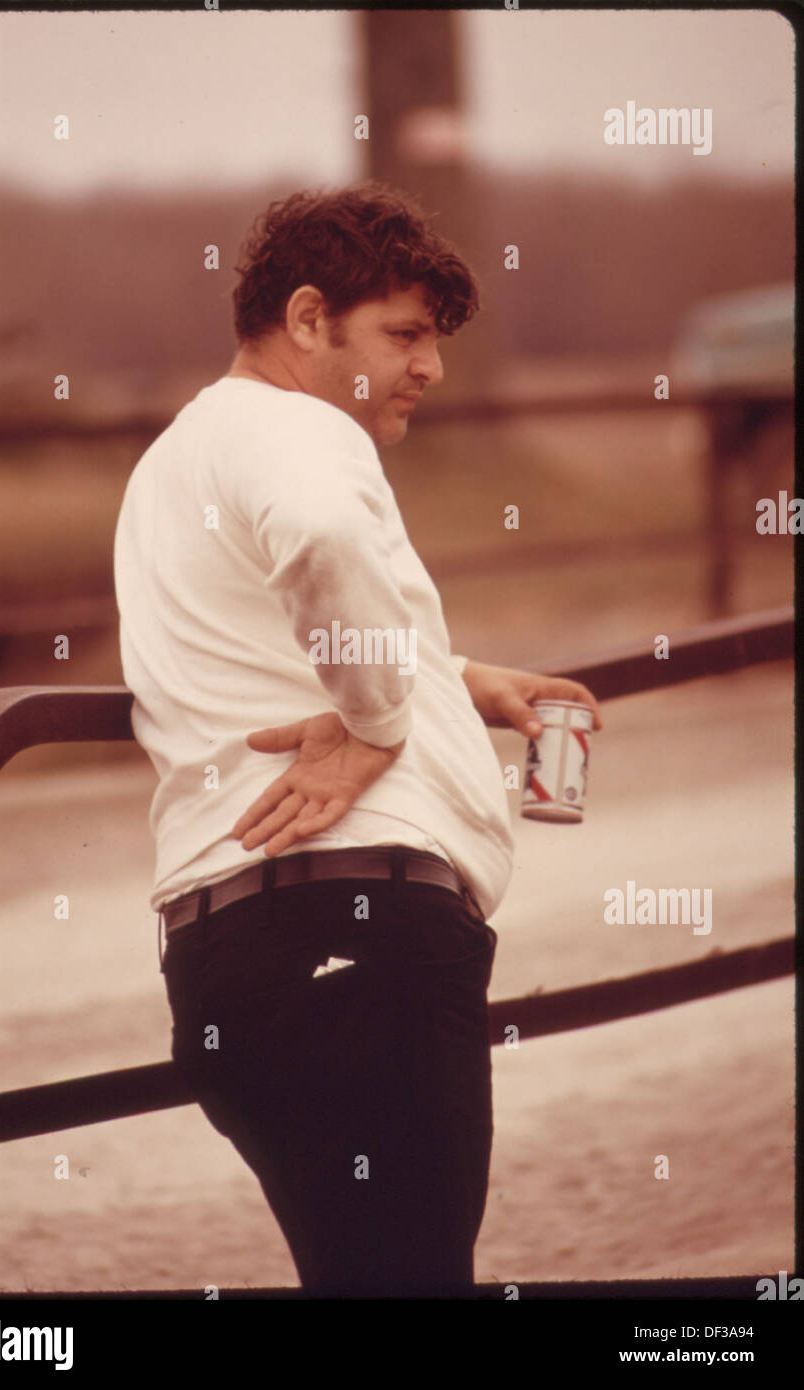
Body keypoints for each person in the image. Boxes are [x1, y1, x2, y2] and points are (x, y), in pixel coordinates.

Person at [114, 182, 601, 1298]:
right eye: (406, 334)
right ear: (304, 320)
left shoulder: (175, 461)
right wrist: (386, 718)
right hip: (359, 940)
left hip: (227, 966)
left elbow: (254, 636)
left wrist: (452, 679)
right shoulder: (301, 431)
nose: (431, 367)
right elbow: (327, 535)